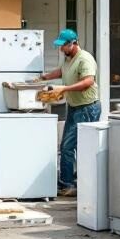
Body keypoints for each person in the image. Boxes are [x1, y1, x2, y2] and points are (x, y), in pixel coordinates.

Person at [38, 29, 100, 197]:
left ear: (73, 43)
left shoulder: (85, 59)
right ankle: (70, 181)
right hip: (74, 106)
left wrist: (64, 88)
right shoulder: (68, 59)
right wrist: (44, 77)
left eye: (63, 46)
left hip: (87, 107)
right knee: (68, 145)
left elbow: (88, 81)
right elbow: (62, 71)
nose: (60, 49)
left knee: (73, 146)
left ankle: (70, 184)